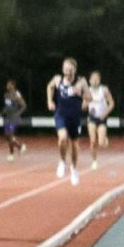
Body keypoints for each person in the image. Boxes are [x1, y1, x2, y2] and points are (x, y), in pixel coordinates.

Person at [47, 58, 88, 186]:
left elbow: (88, 97)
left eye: (70, 69)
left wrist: (83, 98)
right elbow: (49, 86)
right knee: (63, 138)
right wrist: (50, 100)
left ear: (75, 70)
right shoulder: (57, 79)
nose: (67, 72)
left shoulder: (81, 81)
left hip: (74, 117)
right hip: (61, 114)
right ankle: (62, 161)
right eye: (65, 69)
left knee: (74, 145)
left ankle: (74, 169)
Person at [84, 70, 114, 169]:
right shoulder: (87, 91)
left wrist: (105, 114)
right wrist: (86, 103)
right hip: (92, 117)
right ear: (89, 80)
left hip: (102, 118)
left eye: (97, 79)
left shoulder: (104, 90)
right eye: (93, 79)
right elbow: (83, 106)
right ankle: (94, 161)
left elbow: (112, 103)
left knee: (101, 143)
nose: (95, 81)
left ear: (100, 80)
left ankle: (104, 139)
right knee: (92, 141)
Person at [1, 80, 27, 161]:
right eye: (7, 84)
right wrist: (1, 113)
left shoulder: (16, 94)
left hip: (14, 118)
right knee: (7, 136)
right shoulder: (6, 95)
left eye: (9, 84)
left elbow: (23, 105)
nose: (7, 86)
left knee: (10, 135)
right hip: (7, 117)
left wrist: (18, 113)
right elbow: (7, 107)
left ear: (13, 85)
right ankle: (20, 146)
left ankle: (11, 154)